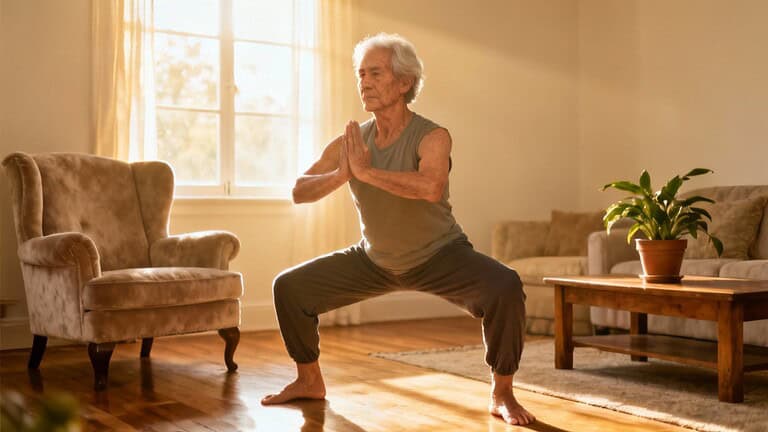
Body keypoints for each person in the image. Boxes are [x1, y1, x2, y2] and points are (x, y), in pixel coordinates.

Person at [261, 33, 535, 426]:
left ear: (404, 82)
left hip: (440, 254)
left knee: (505, 286)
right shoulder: (351, 142)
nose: (365, 82)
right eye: (361, 74)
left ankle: (502, 392)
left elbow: (430, 187)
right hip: (374, 259)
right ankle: (309, 380)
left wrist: (366, 172)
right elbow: (298, 191)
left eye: (375, 73)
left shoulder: (432, 136)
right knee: (289, 288)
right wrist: (342, 174)